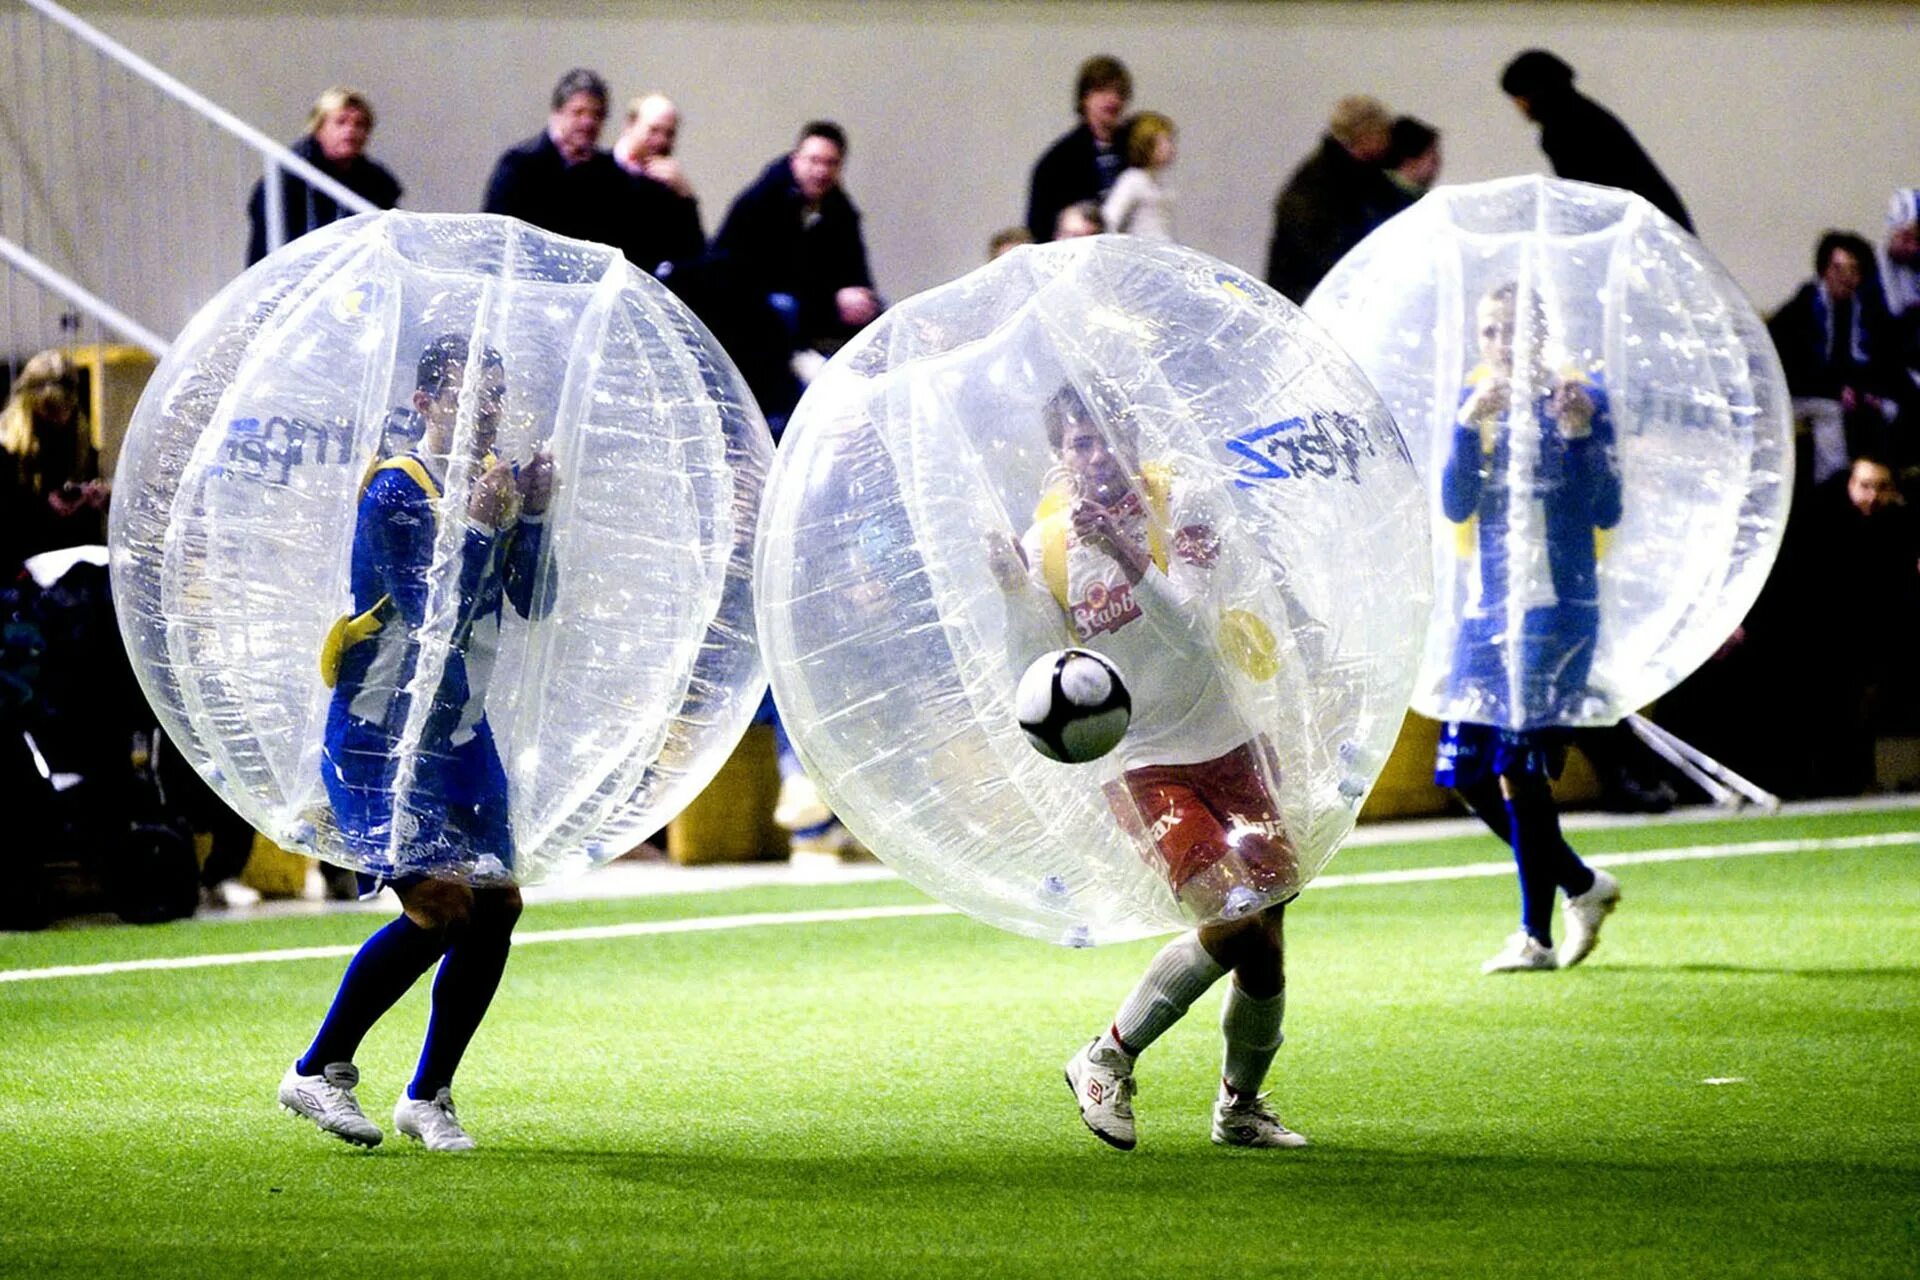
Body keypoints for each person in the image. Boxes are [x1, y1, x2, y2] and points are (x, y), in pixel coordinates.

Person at [991, 384, 1307, 1151]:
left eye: (1105, 437)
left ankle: (1240, 1107)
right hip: (1140, 761)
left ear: (1130, 436)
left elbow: (1197, 632)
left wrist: (1129, 552)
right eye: (1078, 444)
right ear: (1060, 458)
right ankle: (1107, 1055)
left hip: (1229, 737)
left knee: (1263, 937)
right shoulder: (1048, 546)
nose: (1095, 457)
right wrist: (1012, 592)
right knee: (1231, 918)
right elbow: (1038, 665)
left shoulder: (1183, 503)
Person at [278, 333, 557, 1151]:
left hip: (460, 731)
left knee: (497, 905)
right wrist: (478, 528)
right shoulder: (397, 490)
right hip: (379, 734)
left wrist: (533, 517)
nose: (489, 410)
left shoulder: (496, 484)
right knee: (440, 902)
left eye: (497, 394)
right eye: (471, 395)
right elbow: (430, 613)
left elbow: (535, 601)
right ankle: (316, 1069)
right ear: (425, 404)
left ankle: (428, 1094)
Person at [1436, 282, 1624, 973]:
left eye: (1515, 330)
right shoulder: (1475, 404)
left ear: (1543, 336)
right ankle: (1581, 884)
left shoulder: (1582, 401)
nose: (1502, 345)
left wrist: (1577, 438)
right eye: (1490, 332)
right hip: (1487, 614)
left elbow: (1606, 509)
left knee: (1518, 769)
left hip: (1556, 611)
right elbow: (1455, 503)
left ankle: (1535, 936)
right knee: (1464, 771)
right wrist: (1463, 427)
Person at [712, 121, 881, 392]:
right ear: (796, 160)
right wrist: (832, 302)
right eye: (814, 160)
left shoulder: (841, 211)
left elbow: (855, 269)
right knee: (783, 307)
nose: (821, 171)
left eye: (831, 163)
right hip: (760, 314)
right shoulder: (761, 202)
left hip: (816, 311)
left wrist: (862, 300)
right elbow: (757, 274)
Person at [482, 69, 697, 276]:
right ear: (557, 114)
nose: (588, 122)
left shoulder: (609, 173)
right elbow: (496, 240)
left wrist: (683, 196)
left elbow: (641, 237)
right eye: (578, 112)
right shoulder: (520, 165)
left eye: (596, 115)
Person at [1499, 50, 1692, 233]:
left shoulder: (1562, 129)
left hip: (1642, 231)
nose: (1519, 106)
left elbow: (1584, 199)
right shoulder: (1586, 114)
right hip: (1662, 225)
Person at [1264, 95, 1401, 303]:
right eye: (1383, 131)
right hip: (1313, 299)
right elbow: (1318, 250)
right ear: (1366, 134)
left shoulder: (1361, 175)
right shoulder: (1318, 185)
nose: (1390, 139)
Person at [246, 87, 402, 266]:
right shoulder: (290, 177)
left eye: (359, 124)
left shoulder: (377, 183)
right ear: (318, 128)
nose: (350, 131)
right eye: (340, 122)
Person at [1, 350, 105, 568]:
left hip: (70, 560)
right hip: (19, 562)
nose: (56, 421)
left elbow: (89, 527)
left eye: (62, 411)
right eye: (47, 412)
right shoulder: (7, 448)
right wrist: (42, 509)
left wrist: (96, 500)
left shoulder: (82, 445)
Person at [1026, 55, 1133, 244]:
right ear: (1084, 98)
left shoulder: (1133, 150)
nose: (1112, 99)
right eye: (1101, 90)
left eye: (1119, 92)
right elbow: (1040, 228)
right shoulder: (1058, 161)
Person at [612, 92, 706, 255]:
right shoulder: (596, 169)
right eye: (653, 130)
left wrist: (685, 196)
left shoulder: (670, 188)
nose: (661, 140)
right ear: (630, 126)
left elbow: (694, 253)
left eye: (669, 134)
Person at [1101, 111, 1177, 241]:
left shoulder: (1158, 182)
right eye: (1166, 141)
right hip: (1141, 252)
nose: (1171, 148)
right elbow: (1109, 220)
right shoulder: (1132, 179)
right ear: (1147, 144)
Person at [1380, 116, 1441, 216]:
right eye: (1432, 158)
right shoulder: (1403, 204)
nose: (1437, 165)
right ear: (1411, 161)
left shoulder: (1378, 192)